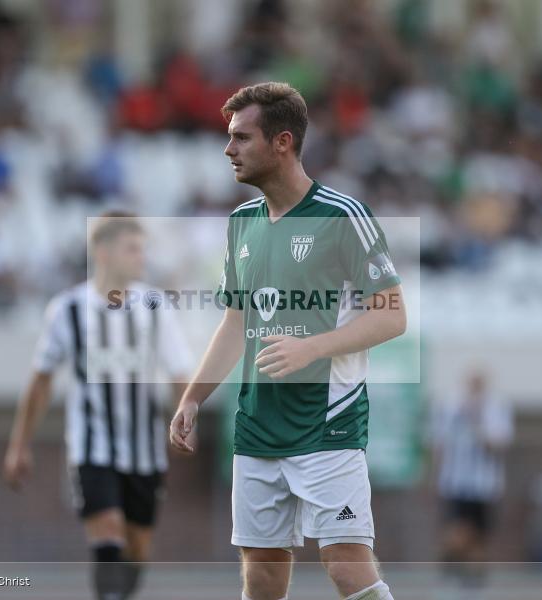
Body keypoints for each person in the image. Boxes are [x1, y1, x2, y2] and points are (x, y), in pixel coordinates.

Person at [170, 82, 407, 600]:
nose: (228, 149)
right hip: (257, 426)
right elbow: (236, 322)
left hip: (327, 424)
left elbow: (392, 317)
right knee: (262, 573)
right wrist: (193, 396)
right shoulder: (239, 225)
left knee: (346, 564)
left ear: (282, 142)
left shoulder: (343, 216)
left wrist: (313, 346)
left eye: (241, 138)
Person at [4, 211, 192, 600]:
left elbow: (180, 373)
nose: (142, 257)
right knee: (108, 533)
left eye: (143, 249)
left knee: (137, 549)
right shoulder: (68, 310)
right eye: (132, 249)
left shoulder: (156, 307)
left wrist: (185, 417)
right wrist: (19, 445)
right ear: (103, 253)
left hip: (145, 452)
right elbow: (41, 382)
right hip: (92, 448)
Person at [431, 368, 513, 598]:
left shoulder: (495, 407)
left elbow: (498, 444)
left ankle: (473, 584)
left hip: (484, 484)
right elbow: (439, 442)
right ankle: (449, 574)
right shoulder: (450, 405)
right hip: (456, 482)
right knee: (457, 533)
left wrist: (477, 421)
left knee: (479, 536)